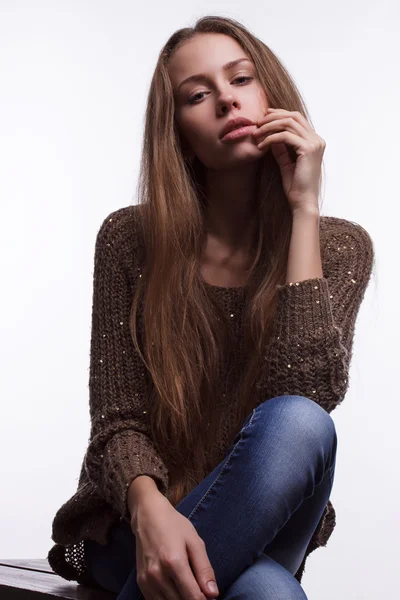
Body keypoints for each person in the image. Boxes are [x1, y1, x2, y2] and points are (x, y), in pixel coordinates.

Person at [47, 15, 375, 600]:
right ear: (177, 130)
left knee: (302, 421)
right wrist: (150, 512)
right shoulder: (130, 241)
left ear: (270, 91)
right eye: (197, 95)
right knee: (268, 594)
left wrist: (303, 211)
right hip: (138, 526)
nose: (226, 100)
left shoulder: (341, 248)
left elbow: (304, 393)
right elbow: (117, 421)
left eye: (241, 79)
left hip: (266, 525)